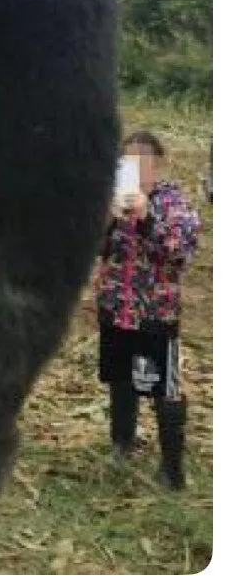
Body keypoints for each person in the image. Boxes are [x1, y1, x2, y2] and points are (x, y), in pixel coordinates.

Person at [94, 130, 200, 489]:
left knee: (160, 387)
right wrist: (106, 221)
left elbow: (179, 253)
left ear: (157, 165)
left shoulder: (173, 205)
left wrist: (146, 217)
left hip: (154, 315)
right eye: (128, 162)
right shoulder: (112, 201)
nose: (136, 170)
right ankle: (122, 444)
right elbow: (95, 250)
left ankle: (172, 469)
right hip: (116, 308)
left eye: (143, 162)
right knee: (121, 381)